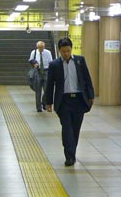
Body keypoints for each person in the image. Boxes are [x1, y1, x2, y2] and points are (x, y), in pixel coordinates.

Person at [43, 37, 95, 166]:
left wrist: (91, 96)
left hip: (79, 100)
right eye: (63, 51)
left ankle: (72, 153)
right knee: (67, 129)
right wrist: (48, 102)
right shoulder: (54, 65)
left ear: (71, 49)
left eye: (68, 50)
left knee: (75, 129)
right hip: (63, 101)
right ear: (59, 50)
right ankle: (69, 157)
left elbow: (87, 79)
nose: (66, 53)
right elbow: (50, 85)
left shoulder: (80, 61)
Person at [28, 40, 53, 112]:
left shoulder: (48, 52)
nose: (41, 49)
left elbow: (51, 62)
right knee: (38, 91)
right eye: (39, 47)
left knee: (46, 90)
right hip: (37, 72)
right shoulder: (34, 52)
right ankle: (38, 107)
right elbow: (30, 60)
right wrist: (34, 63)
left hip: (46, 71)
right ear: (37, 47)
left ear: (44, 47)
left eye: (42, 47)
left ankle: (44, 102)